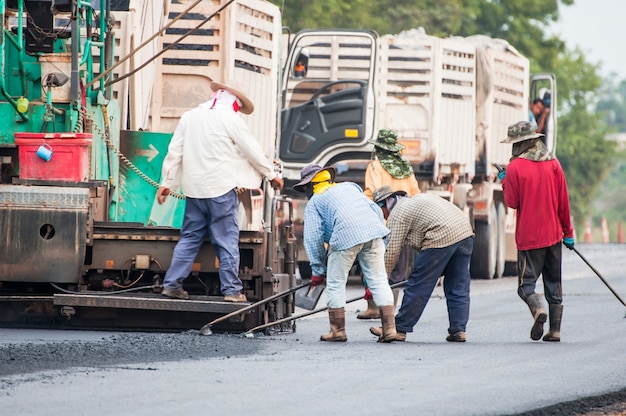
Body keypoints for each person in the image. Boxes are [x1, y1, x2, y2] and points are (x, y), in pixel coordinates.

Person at [156, 80, 284, 302]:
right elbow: (251, 149)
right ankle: (232, 291)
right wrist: (270, 174)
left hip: (194, 191)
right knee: (225, 242)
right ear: (234, 103)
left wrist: (166, 183)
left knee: (188, 239)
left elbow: (175, 151)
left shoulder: (189, 117)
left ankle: (172, 285)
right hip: (221, 191)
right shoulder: (230, 119)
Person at [293, 164, 397, 342]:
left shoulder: (315, 202)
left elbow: (313, 238)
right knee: (379, 280)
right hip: (374, 231)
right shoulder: (350, 187)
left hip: (345, 235)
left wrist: (318, 270)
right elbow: (374, 210)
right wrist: (380, 237)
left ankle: (337, 331)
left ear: (309, 186)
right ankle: (389, 329)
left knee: (336, 283)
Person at [499, 120, 573, 342]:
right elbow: (563, 202)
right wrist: (568, 233)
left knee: (525, 286)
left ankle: (537, 308)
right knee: (553, 282)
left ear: (521, 143)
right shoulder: (554, 164)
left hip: (530, 237)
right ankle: (556, 330)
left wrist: (505, 180)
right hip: (553, 236)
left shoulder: (515, 168)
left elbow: (512, 202)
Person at [369, 187, 474, 343]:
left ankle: (400, 328)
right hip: (465, 233)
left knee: (418, 284)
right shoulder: (415, 201)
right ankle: (458, 330)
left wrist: (379, 281)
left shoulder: (397, 214)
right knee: (457, 284)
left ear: (383, 205)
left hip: (441, 235)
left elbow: (391, 253)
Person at [358, 128, 420, 319]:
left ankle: (373, 308)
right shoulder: (406, 168)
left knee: (371, 262)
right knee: (398, 268)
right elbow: (415, 194)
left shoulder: (375, 166)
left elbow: (371, 192)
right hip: (404, 223)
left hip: (381, 223)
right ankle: (389, 309)